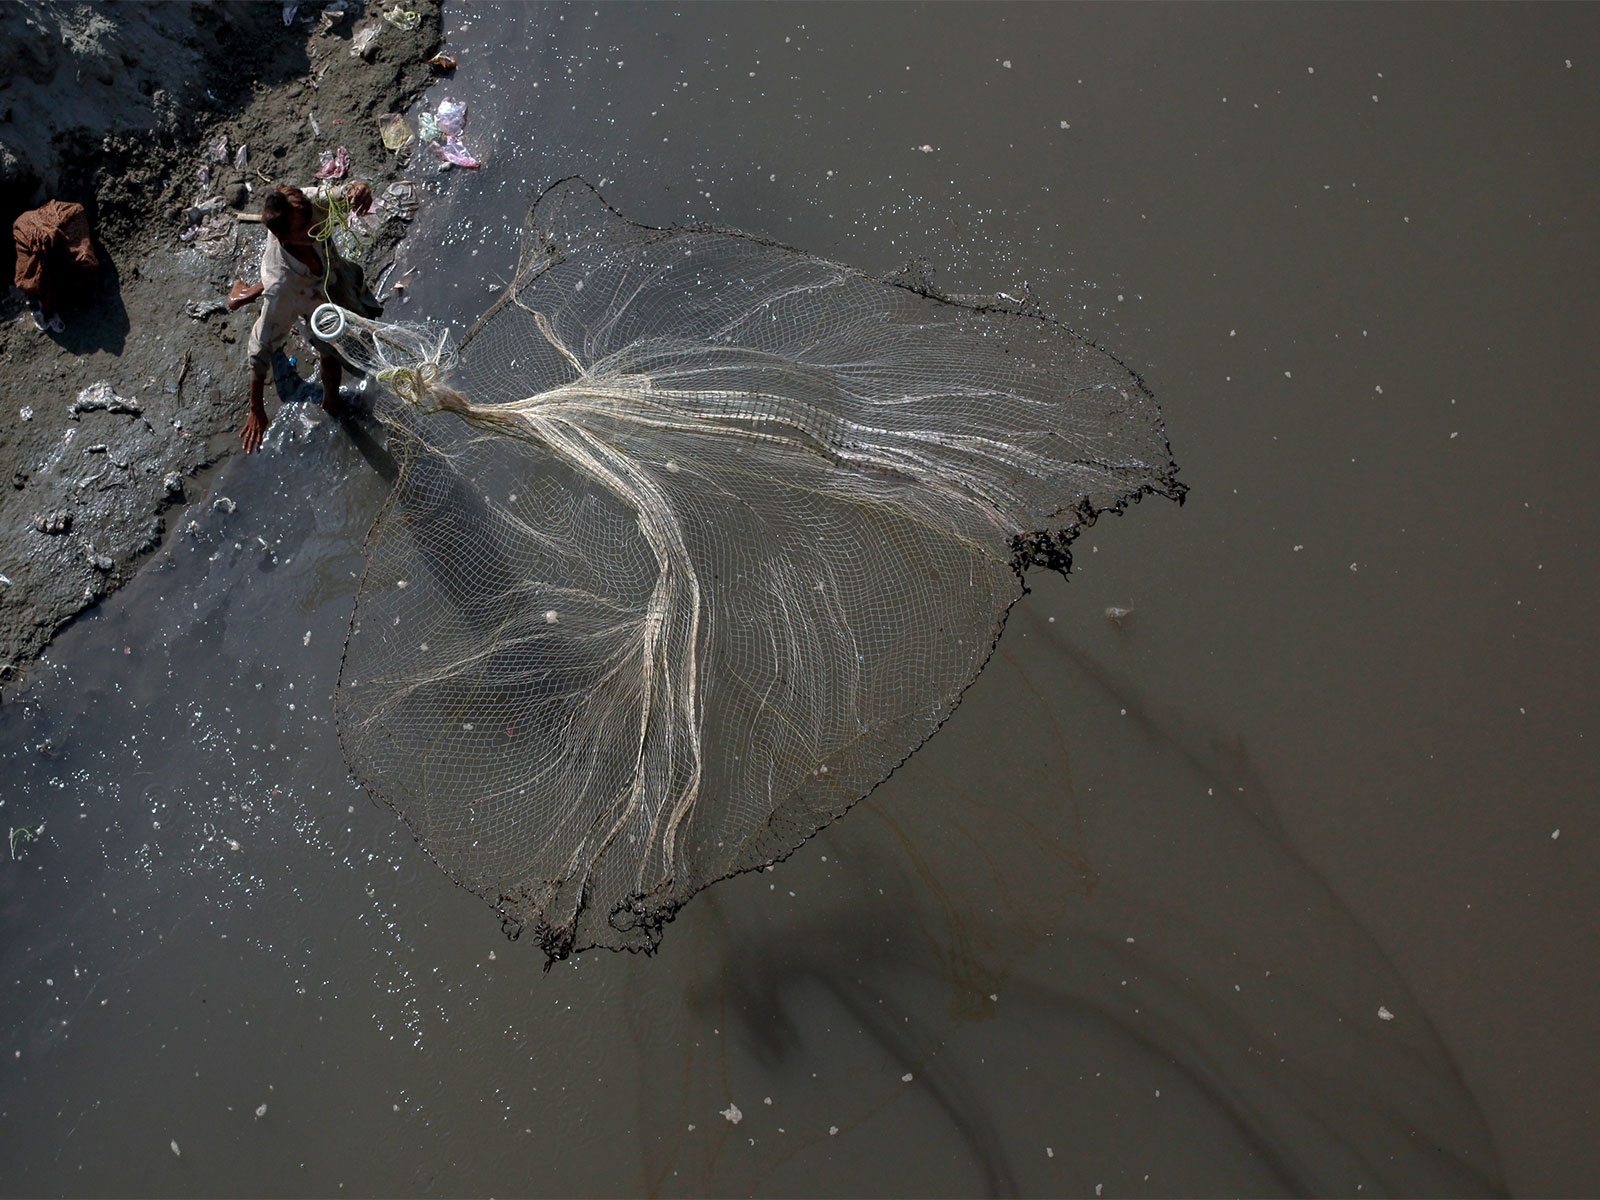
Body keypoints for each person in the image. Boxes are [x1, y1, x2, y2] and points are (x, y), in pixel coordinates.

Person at [227, 182, 380, 453]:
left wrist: (359, 190)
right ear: (283, 237)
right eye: (303, 227)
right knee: (329, 349)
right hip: (307, 300)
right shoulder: (281, 287)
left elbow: (344, 193)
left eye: (311, 216)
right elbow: (261, 346)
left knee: (361, 315)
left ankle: (247, 293)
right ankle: (331, 401)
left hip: (331, 276)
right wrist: (256, 408)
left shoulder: (309, 205)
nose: (314, 225)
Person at [13, 198, 100, 332]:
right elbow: (24, 279)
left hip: (62, 237)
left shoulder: (83, 261)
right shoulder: (23, 230)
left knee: (84, 268)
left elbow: (76, 210)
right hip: (38, 249)